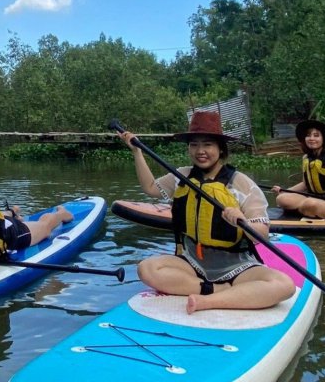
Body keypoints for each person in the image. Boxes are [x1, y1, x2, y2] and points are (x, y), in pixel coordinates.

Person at [116, 111, 295, 313]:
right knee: (146, 268)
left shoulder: (242, 184)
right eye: (194, 145)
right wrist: (136, 152)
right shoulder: (181, 176)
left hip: (236, 265)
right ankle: (219, 290)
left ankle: (207, 301)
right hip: (193, 262)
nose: (200, 151)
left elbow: (261, 235)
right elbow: (150, 187)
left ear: (220, 149)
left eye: (208, 144)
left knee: (284, 285)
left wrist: (242, 220)